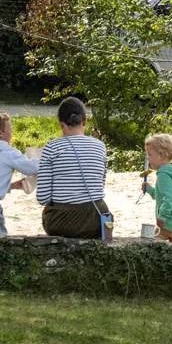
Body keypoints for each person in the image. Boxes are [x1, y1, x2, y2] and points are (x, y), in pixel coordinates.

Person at [36, 97, 111, 239]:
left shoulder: (51, 147)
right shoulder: (100, 146)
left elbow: (42, 197)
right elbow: (100, 186)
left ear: (61, 124)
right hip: (95, 219)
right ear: (85, 120)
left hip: (61, 222)